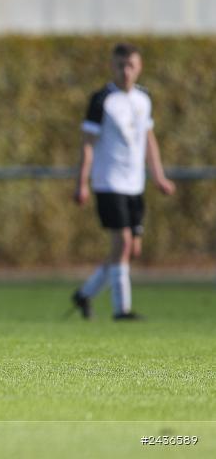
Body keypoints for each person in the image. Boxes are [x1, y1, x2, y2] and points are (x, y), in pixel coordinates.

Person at [72, 43, 175, 320]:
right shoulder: (102, 99)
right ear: (112, 66)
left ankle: (84, 294)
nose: (125, 71)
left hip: (134, 184)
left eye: (131, 66)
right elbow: (88, 144)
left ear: (139, 67)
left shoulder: (144, 98)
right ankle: (122, 310)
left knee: (132, 250)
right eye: (120, 65)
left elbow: (148, 139)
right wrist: (82, 183)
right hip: (109, 182)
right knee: (123, 244)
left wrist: (159, 175)